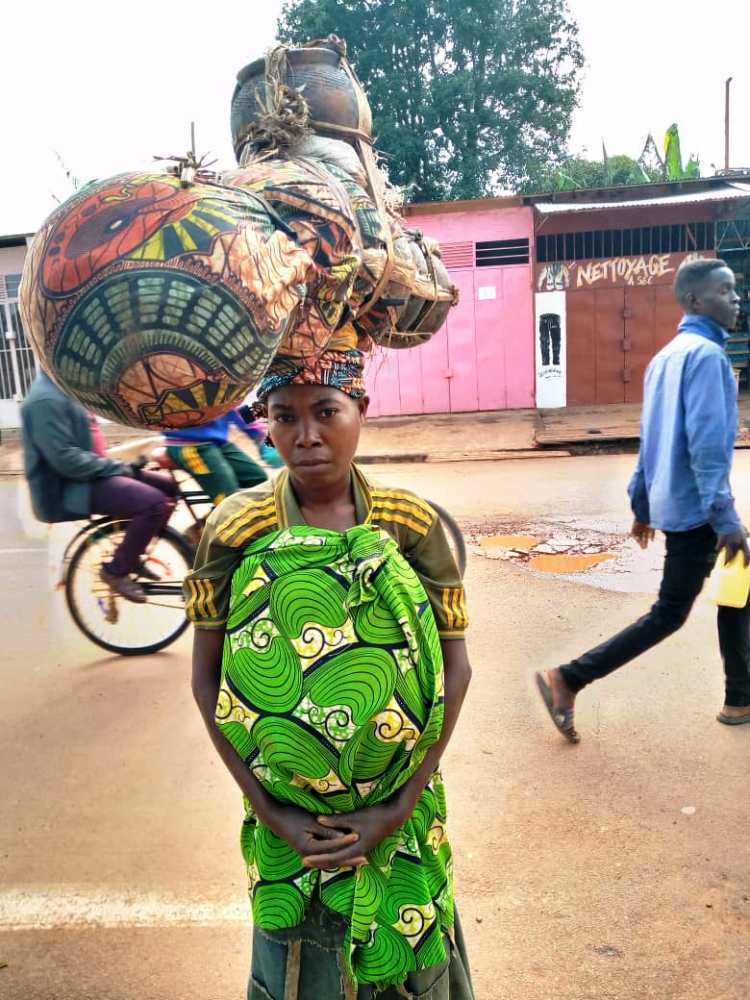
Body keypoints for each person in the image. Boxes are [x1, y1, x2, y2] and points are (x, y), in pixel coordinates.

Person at [186, 341, 474, 999]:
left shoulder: (409, 523)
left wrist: (398, 808)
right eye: (284, 417)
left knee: (410, 966)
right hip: (290, 820)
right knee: (300, 962)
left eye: (326, 411)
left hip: (400, 810)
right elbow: (208, 683)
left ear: (361, 409)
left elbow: (453, 672)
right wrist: (272, 811)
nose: (307, 436)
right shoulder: (237, 527)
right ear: (265, 420)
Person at [536, 257, 750, 742]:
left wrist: (642, 505)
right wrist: (726, 519)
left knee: (740, 589)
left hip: (679, 508)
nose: (735, 298)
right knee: (669, 614)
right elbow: (705, 448)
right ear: (695, 299)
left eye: (734, 290)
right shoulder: (708, 359)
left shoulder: (665, 358)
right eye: (724, 290)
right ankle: (568, 678)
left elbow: (649, 443)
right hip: (700, 513)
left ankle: (740, 696)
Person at [21, 370, 178, 603]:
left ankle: (132, 552)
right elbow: (65, 460)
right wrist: (117, 468)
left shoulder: (66, 388)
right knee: (154, 503)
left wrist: (121, 464)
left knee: (169, 488)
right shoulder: (46, 399)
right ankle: (116, 571)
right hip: (72, 487)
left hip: (93, 474)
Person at [164, 408, 276, 507]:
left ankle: (258, 520)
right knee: (227, 496)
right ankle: (231, 523)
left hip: (218, 439)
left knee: (257, 478)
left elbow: (237, 406)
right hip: (189, 443)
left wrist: (260, 435)